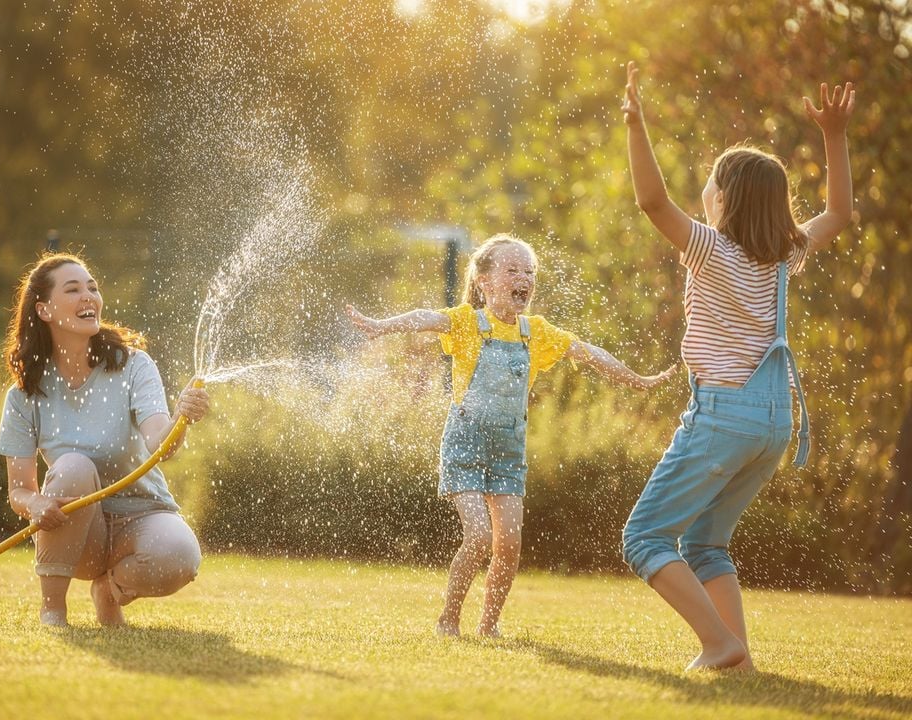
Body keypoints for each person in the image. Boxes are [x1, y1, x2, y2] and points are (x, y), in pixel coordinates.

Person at [620, 61, 854, 670]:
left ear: (721, 198)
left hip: (723, 418)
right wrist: (834, 135)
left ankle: (718, 642)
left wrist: (636, 126)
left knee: (643, 537)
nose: (703, 191)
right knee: (704, 541)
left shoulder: (712, 247)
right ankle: (738, 659)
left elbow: (650, 200)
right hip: (772, 427)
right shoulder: (783, 256)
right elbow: (839, 213)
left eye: (709, 184)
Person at [347, 234, 675, 637]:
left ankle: (489, 625)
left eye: (529, 272)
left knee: (509, 544)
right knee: (480, 536)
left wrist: (637, 380)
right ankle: (448, 618)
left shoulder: (535, 332)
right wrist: (382, 327)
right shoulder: (468, 323)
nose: (524, 278)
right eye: (512, 270)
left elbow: (589, 352)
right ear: (484, 281)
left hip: (507, 451)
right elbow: (424, 317)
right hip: (464, 444)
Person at [0, 253, 210, 627]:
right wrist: (37, 504)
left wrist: (181, 419)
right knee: (73, 467)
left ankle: (108, 592)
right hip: (78, 535)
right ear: (44, 310)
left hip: (142, 514)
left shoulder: (133, 365)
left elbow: (161, 445)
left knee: (181, 556)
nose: (89, 297)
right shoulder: (24, 395)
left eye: (93, 288)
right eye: (74, 289)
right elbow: (19, 491)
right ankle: (53, 610)